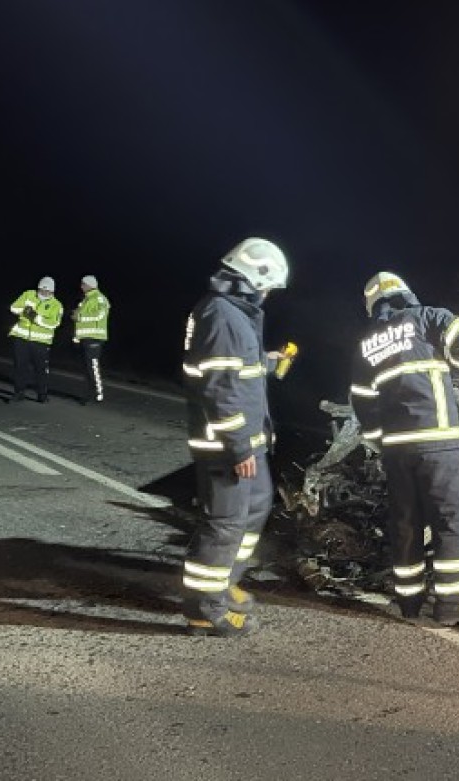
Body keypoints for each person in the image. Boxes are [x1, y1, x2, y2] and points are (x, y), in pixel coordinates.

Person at [349, 271, 459, 627]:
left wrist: (381, 439)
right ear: (404, 294)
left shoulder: (366, 344)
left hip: (396, 450)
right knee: (449, 522)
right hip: (438, 441)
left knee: (405, 524)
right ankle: (451, 605)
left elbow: (362, 401)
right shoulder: (428, 317)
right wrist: (456, 371)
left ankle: (409, 601)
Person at [180, 237, 292, 637]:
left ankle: (224, 582)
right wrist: (239, 445)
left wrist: (266, 361)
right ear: (250, 279)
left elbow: (236, 363)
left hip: (247, 440)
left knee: (256, 507)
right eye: (266, 287)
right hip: (226, 444)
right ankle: (204, 609)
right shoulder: (222, 314)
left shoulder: (232, 314)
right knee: (224, 523)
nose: (267, 295)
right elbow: (220, 386)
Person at [8, 277, 64, 403]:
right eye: (41, 290)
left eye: (47, 291)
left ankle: (42, 394)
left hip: (41, 342)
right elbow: (13, 307)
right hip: (21, 338)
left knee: (41, 369)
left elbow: (54, 323)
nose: (43, 293)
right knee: (20, 367)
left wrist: (35, 317)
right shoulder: (28, 294)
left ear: (52, 291)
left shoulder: (57, 305)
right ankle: (18, 393)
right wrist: (24, 311)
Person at [71, 275, 111, 404]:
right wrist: (77, 337)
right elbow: (80, 321)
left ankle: (97, 393)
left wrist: (80, 316)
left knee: (92, 367)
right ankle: (89, 394)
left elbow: (100, 315)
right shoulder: (86, 300)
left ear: (89, 285)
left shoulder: (99, 298)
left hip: (95, 338)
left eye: (83, 284)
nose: (81, 286)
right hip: (85, 338)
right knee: (87, 368)